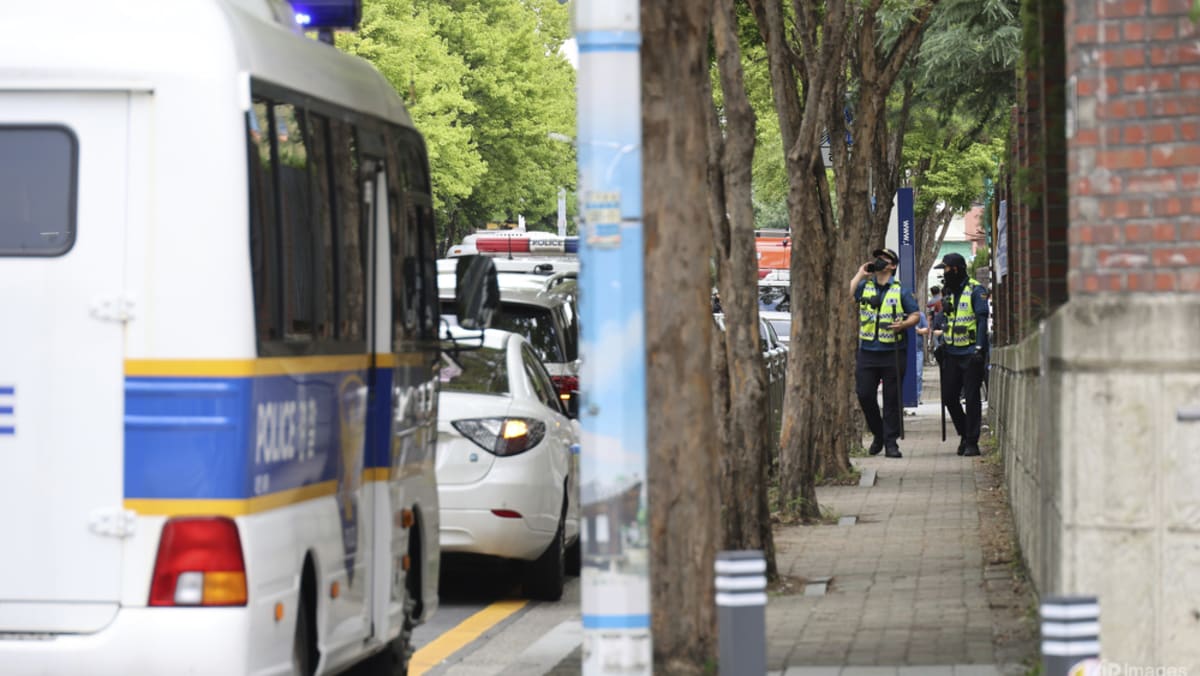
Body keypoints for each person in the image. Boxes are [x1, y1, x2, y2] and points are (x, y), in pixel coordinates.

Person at [850, 247, 920, 458]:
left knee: (892, 399)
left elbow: (915, 315)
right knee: (865, 394)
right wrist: (860, 273)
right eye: (877, 257)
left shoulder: (901, 291)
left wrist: (904, 324)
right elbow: (848, 294)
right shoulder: (865, 286)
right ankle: (878, 433)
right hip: (868, 351)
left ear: (892, 265)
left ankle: (891, 442)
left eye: (884, 258)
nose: (879, 260)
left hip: (893, 351)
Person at [934, 252, 989, 457]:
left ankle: (972, 441)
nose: (944, 274)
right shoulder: (948, 292)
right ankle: (965, 434)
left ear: (955, 269)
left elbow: (982, 320)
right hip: (951, 353)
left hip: (970, 354)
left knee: (972, 398)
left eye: (946, 269)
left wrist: (979, 348)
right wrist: (941, 345)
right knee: (949, 397)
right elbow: (947, 321)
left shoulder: (975, 289)